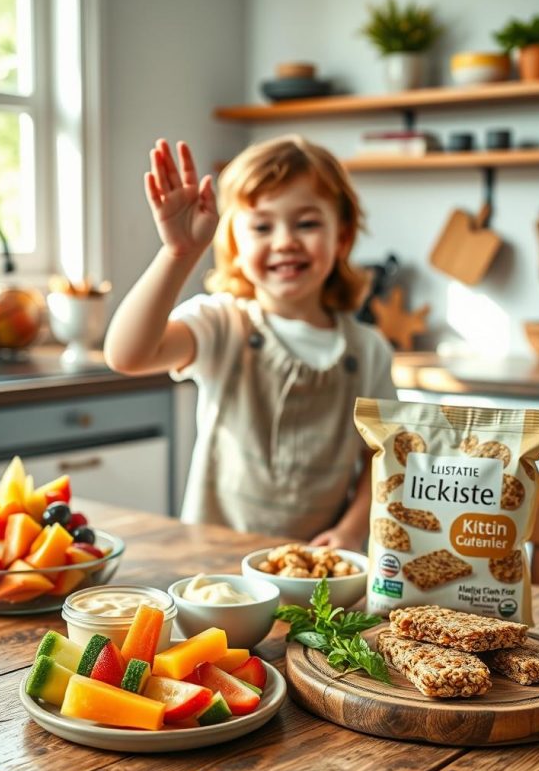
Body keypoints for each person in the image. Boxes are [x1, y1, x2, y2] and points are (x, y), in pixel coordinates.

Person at [104, 135, 396, 550]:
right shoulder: (221, 323)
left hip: (317, 571)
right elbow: (127, 355)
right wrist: (178, 253)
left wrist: (351, 531)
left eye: (307, 223)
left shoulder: (369, 351)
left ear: (343, 238)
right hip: (213, 566)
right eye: (262, 226)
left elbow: (383, 458)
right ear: (236, 245)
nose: (284, 241)